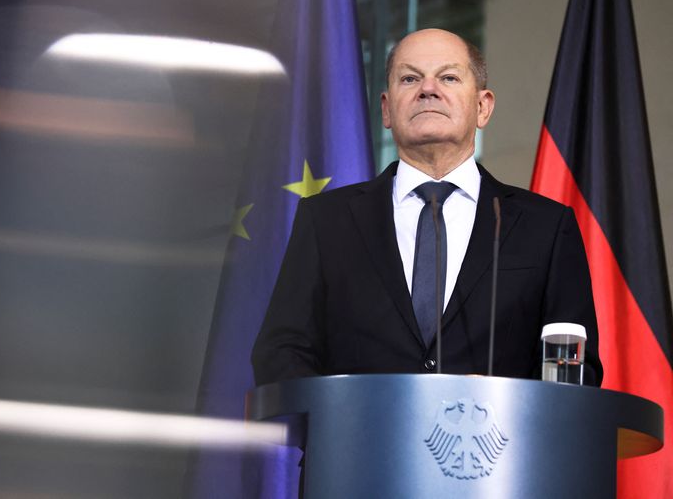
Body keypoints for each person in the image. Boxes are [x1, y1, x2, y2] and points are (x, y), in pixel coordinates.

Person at [251, 28, 602, 387]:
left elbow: (578, 370)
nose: (428, 89)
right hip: (357, 441)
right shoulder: (325, 220)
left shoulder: (545, 226)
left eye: (448, 77)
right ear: (387, 109)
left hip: (497, 441)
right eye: (410, 78)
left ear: (483, 107)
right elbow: (281, 352)